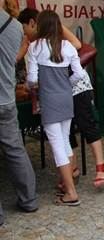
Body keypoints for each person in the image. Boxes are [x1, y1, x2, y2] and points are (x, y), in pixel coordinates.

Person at [17, 8, 104, 189]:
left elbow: (78, 45)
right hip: (63, 90)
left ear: (33, 23)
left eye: (24, 27)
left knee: (83, 126)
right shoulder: (34, 43)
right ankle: (71, 170)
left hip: (73, 89)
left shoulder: (54, 33)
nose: (24, 32)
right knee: (66, 136)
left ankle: (99, 166)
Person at [26, 10, 86, 206]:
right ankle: (70, 183)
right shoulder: (68, 46)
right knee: (65, 141)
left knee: (57, 145)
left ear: (40, 25)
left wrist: (33, 85)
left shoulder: (34, 47)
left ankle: (70, 192)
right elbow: (79, 74)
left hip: (50, 100)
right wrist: (66, 83)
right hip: (66, 98)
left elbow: (32, 79)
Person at [0, 0, 38, 226]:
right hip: (5, 98)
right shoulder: (15, 27)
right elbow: (13, 59)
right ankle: (29, 199)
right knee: (15, 150)